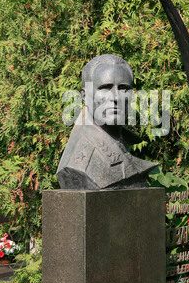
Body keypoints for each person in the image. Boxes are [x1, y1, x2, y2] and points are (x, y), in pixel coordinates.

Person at [56, 54, 157, 189]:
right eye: (105, 87)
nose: (115, 97)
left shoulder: (123, 141)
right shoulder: (79, 165)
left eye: (123, 88)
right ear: (85, 96)